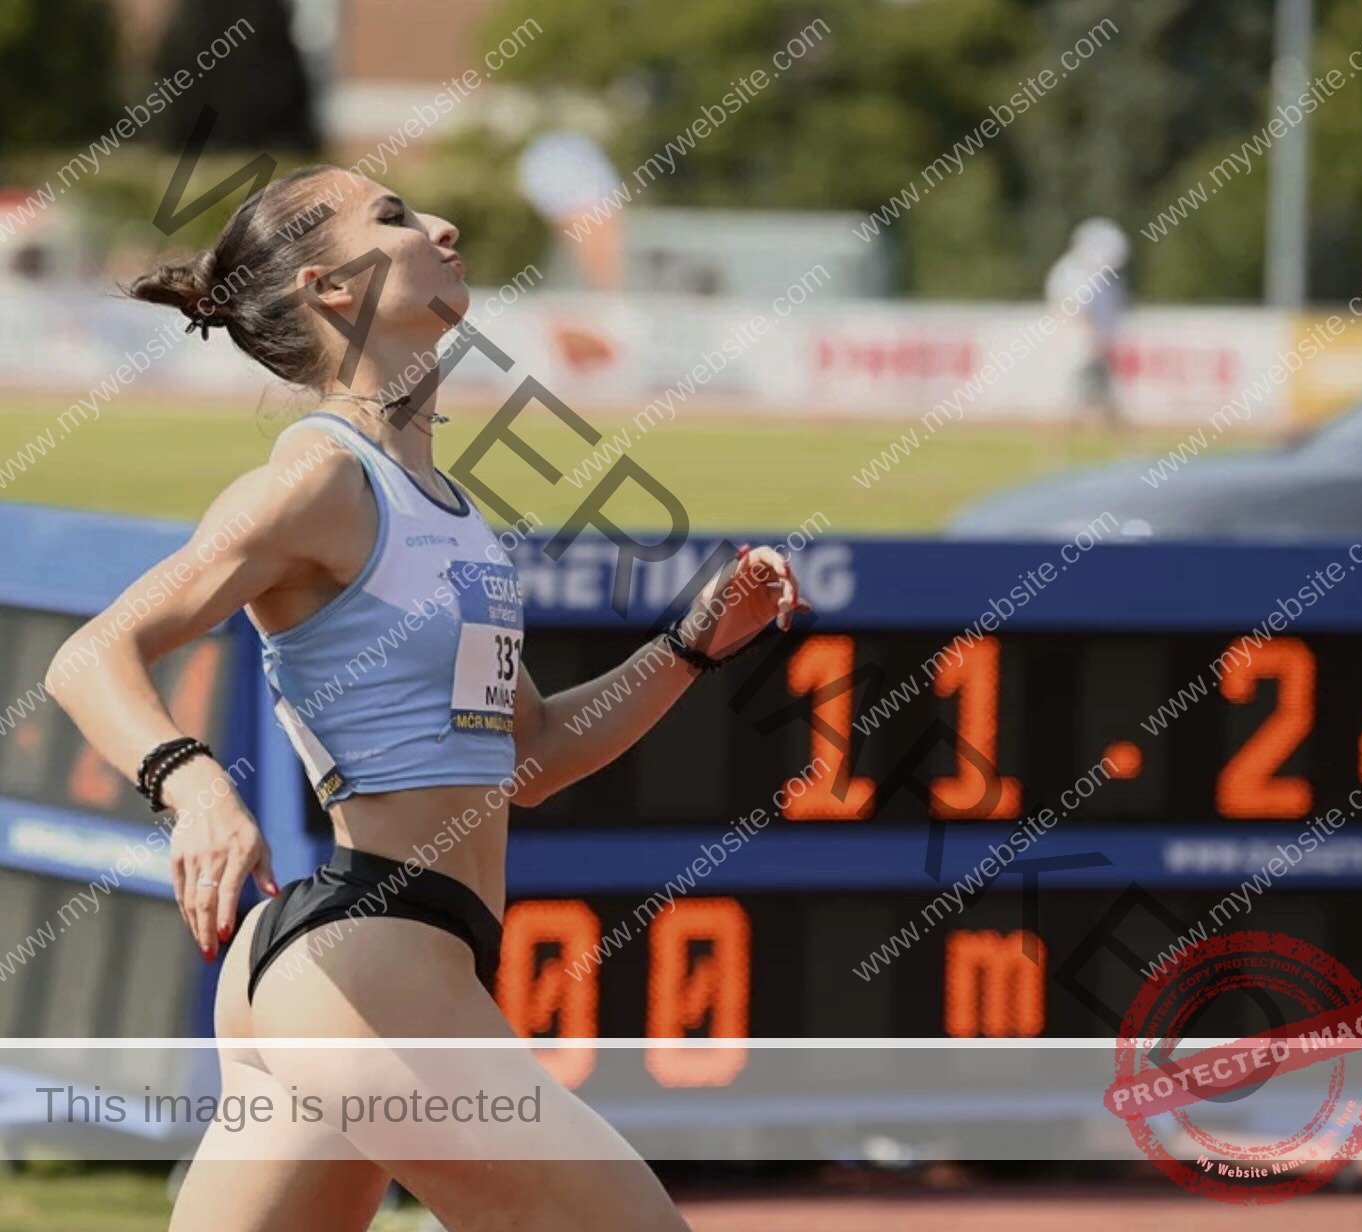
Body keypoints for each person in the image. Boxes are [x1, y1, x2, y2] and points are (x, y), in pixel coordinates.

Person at [47, 165, 805, 1232]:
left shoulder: (447, 508)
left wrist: (688, 646)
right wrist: (197, 786)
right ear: (333, 286)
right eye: (396, 218)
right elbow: (93, 653)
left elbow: (531, 754)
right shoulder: (317, 480)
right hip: (374, 958)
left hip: (355, 965)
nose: (444, 224)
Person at [1044, 216, 1130, 430]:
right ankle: (1054, 452)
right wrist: (1091, 340)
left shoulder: (1091, 275)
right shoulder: (1072, 273)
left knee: (1107, 396)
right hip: (1079, 347)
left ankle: (1127, 449)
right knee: (1075, 398)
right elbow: (1073, 311)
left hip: (1090, 346)